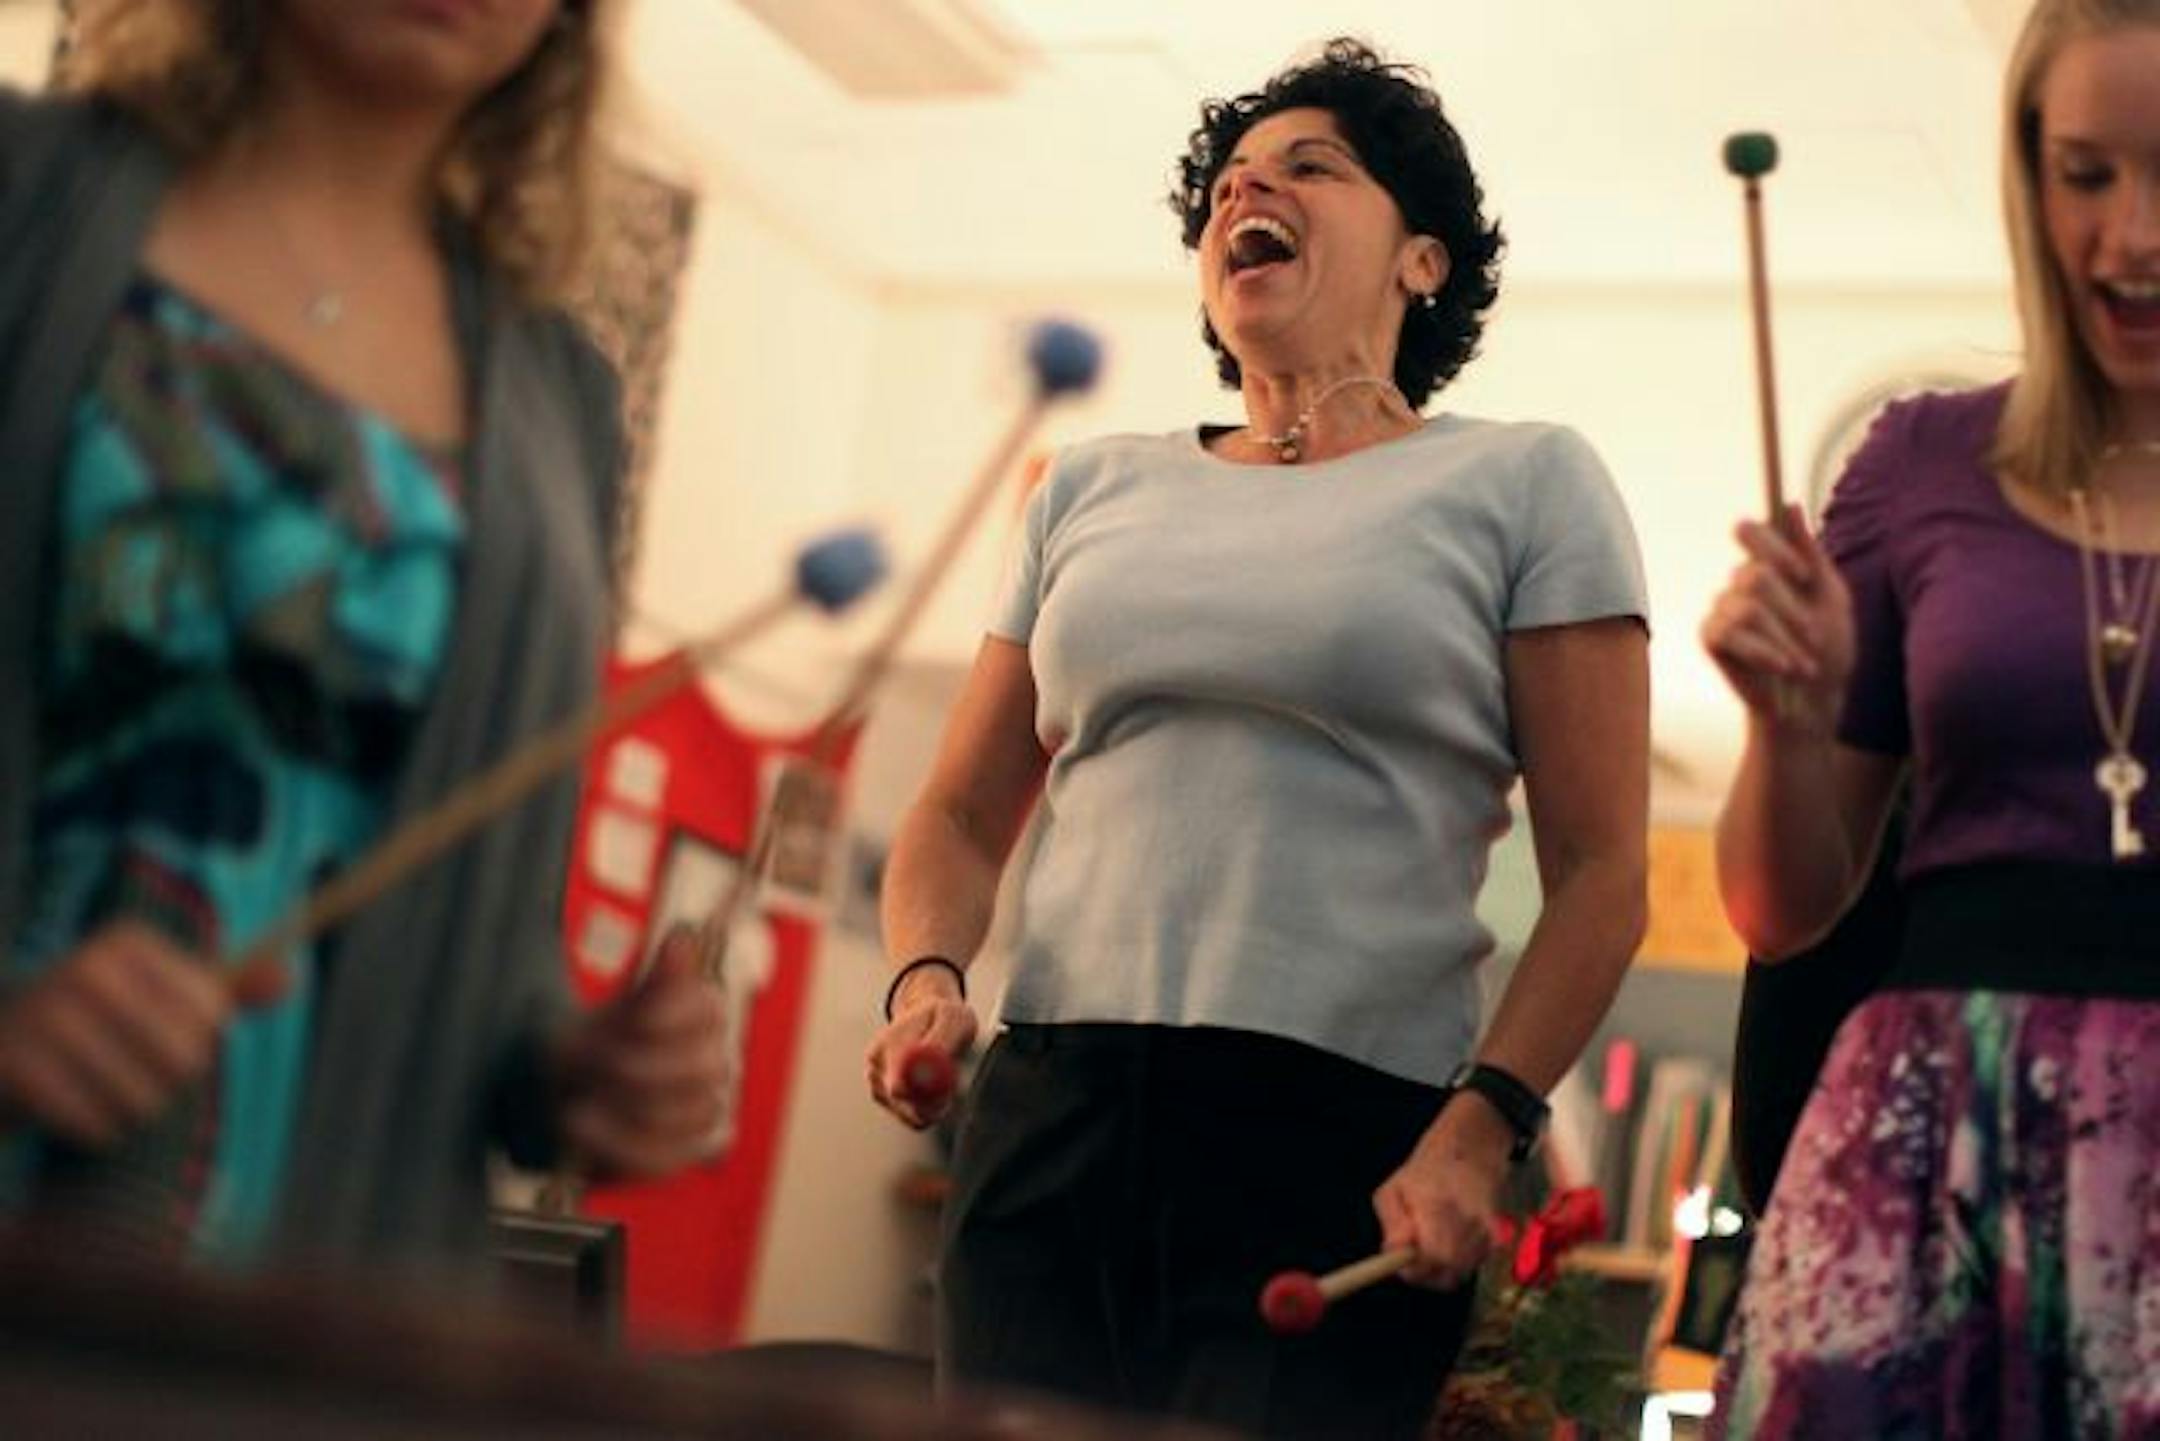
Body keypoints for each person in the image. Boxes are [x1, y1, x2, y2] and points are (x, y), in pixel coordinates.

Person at [864, 39, 1650, 1439]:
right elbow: (960, 815)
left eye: (1307, 169)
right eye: (1226, 185)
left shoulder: (1525, 481)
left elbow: (1601, 872)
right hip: (1053, 1106)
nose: (1246, 197)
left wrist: (1482, 1131)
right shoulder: (1090, 487)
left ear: (1422, 259)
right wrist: (925, 978)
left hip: (1345, 1135)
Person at [0, 0, 725, 1275]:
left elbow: (492, 945)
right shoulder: (24, 199)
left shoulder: (563, 402)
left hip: (311, 1309)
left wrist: (572, 1069)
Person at [1701, 1, 2160, 1433]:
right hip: (1921, 1147)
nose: (2134, 235)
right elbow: (1784, 911)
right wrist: (1788, 721)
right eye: (2088, 173)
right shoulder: (1917, 463)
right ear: (2030, 180)